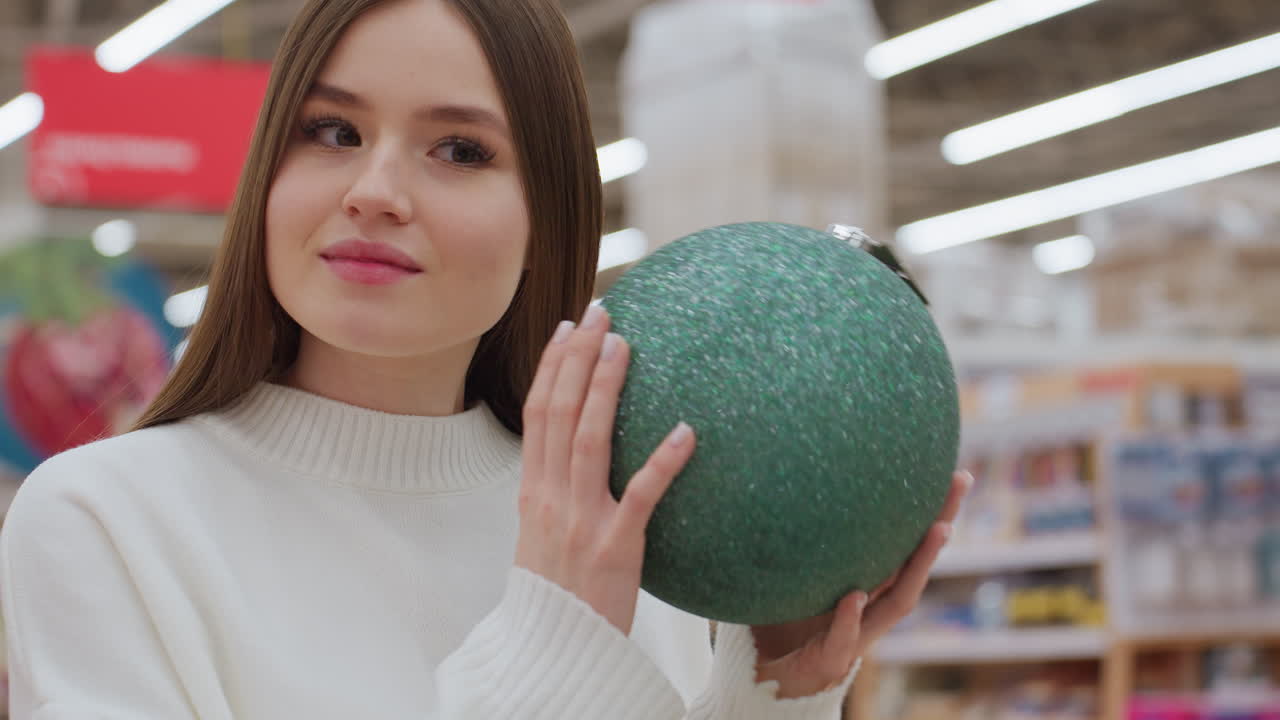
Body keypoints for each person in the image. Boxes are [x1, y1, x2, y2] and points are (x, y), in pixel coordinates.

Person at [0, 0, 971, 717]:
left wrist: (775, 693)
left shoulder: (620, 511)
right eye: (331, 132)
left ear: (542, 218)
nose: (375, 190)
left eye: (458, 150)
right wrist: (552, 639)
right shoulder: (102, 519)